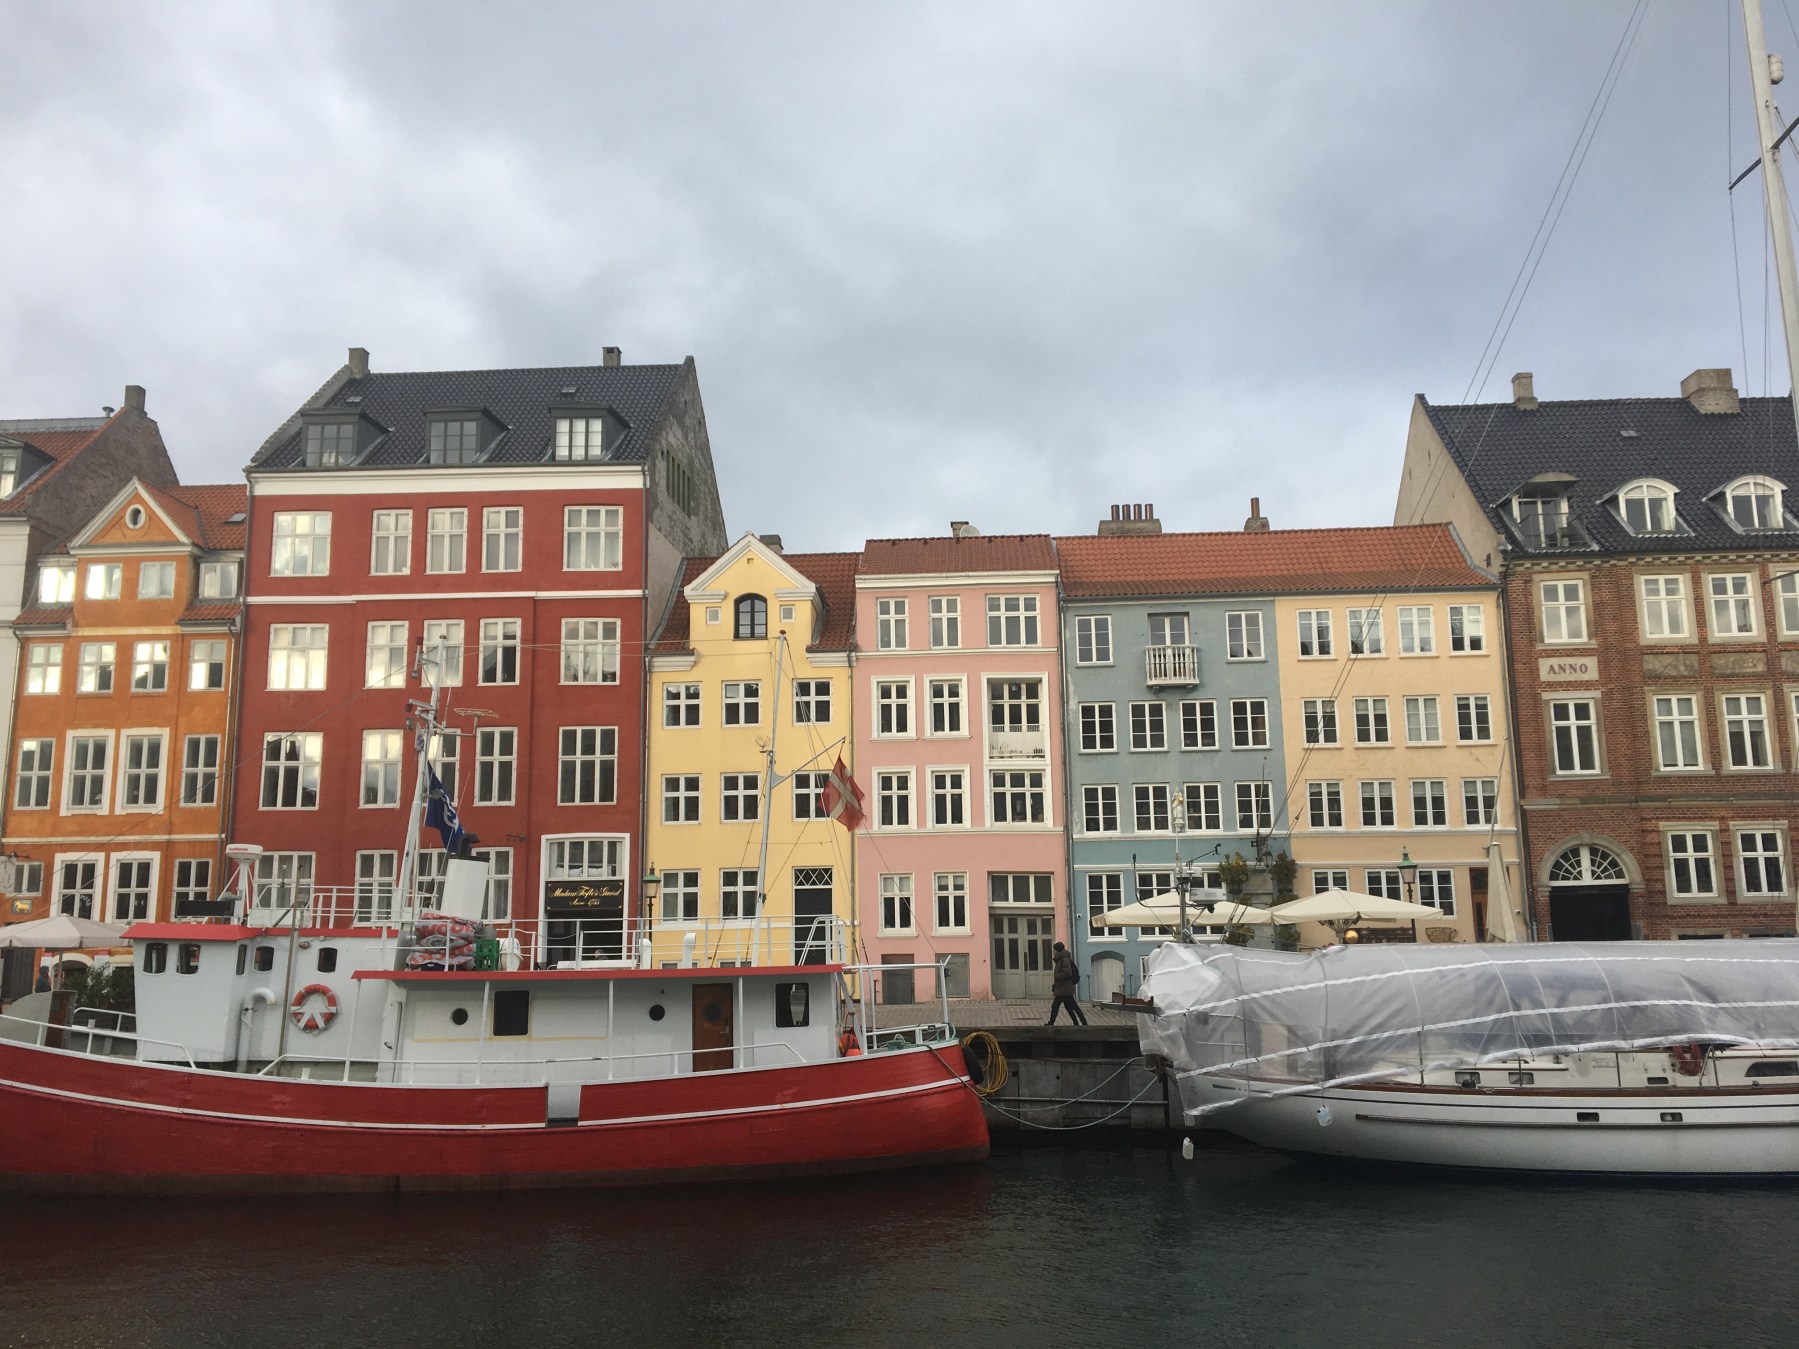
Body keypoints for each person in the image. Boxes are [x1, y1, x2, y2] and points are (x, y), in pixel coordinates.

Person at [1046, 941, 1087, 1026]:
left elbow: (1067, 973)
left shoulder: (1064, 960)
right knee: (1070, 1007)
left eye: (1054, 950)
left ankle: (1051, 1023)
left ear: (1057, 950)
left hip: (1064, 988)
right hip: (1064, 988)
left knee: (1056, 1006)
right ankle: (1079, 1023)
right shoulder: (1062, 959)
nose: (1053, 952)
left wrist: (1058, 976)